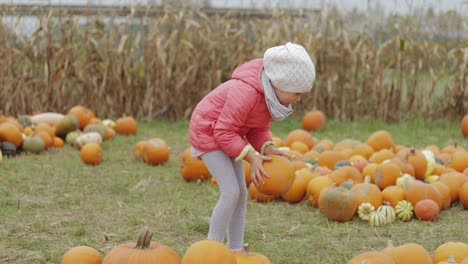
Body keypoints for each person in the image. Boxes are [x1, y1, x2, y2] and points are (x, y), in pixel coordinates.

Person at [188, 42, 316, 252]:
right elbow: (223, 131)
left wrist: (267, 148)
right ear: (281, 84)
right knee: (230, 192)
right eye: (297, 93)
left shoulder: (269, 96)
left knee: (240, 194)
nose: (299, 99)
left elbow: (257, 129)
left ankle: (235, 250)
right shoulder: (245, 92)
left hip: (230, 135)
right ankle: (211, 249)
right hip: (208, 131)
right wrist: (250, 156)